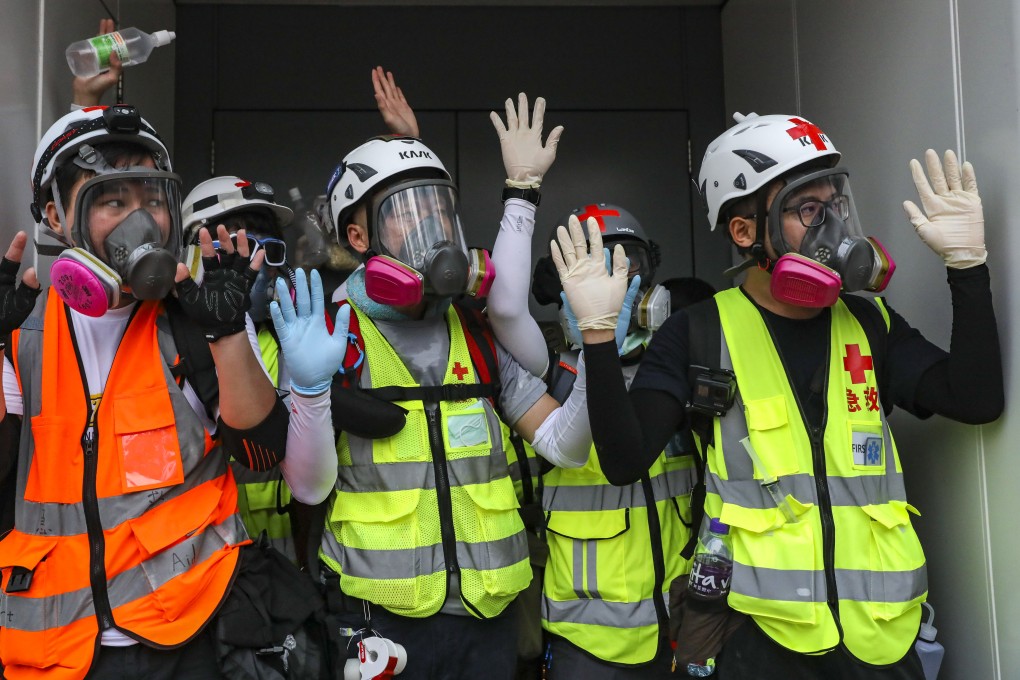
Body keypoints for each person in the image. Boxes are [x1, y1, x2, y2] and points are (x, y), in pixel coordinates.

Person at [554, 112, 1003, 678]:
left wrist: (968, 268)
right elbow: (622, 461)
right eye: (806, 210)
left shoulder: (868, 323)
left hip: (880, 643)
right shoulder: (698, 333)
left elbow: (976, 398)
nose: (832, 227)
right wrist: (597, 335)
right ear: (745, 232)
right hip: (757, 645)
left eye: (834, 205)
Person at [269, 129, 601, 680]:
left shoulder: (476, 331)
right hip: (379, 624)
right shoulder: (325, 335)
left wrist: (595, 340)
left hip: (487, 617)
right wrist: (307, 390)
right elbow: (308, 488)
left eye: (440, 209)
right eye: (405, 211)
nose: (432, 226)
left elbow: (565, 446)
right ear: (357, 234)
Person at [0, 105, 298, 679]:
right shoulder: (23, 331)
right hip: (56, 651)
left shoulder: (190, 319)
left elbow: (262, 456)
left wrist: (229, 330)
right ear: (56, 216)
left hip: (189, 636)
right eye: (114, 201)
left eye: (153, 200)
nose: (143, 221)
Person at [489, 195, 700, 676]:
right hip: (586, 638)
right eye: (593, 266)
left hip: (681, 625)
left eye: (628, 265)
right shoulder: (550, 371)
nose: (613, 281)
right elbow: (503, 311)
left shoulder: (675, 373)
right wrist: (522, 192)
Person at [181, 176, 303, 563]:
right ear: (194, 256)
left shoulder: (299, 341)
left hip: (290, 555)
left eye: (268, 249)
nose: (258, 265)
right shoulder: (171, 346)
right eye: (240, 248)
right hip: (207, 556)